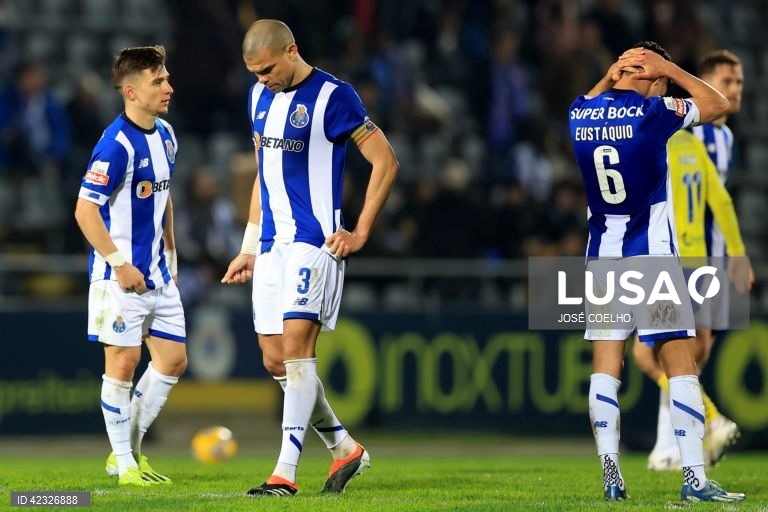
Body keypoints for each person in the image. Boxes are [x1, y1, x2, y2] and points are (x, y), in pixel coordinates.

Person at [221, 20, 399, 497]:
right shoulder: (258, 97)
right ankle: (344, 447)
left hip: (315, 244)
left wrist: (360, 230)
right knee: (274, 359)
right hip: (271, 246)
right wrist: (247, 245)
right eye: (255, 73)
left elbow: (386, 161)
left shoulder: (334, 96)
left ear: (292, 50)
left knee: (298, 351)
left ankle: (284, 474)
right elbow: (263, 175)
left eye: (268, 69)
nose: (262, 80)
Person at [568, 41, 744, 502]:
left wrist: (610, 77)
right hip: (651, 256)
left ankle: (612, 478)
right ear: (653, 77)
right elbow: (718, 104)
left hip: (602, 258)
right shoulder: (654, 114)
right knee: (682, 367)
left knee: (606, 370)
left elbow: (588, 99)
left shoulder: (579, 114)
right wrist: (669, 69)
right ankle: (695, 480)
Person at [74, 46, 186, 487]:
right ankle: (124, 465)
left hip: (157, 273)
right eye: (159, 82)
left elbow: (164, 198)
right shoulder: (114, 146)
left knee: (173, 360)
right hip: (117, 277)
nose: (169, 88)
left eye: (167, 79)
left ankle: (127, 455)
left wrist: (172, 255)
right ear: (131, 90)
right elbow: (85, 211)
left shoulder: (167, 135)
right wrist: (119, 264)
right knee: (123, 363)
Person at [635, 49, 749, 470]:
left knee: (666, 354)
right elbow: (711, 199)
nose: (734, 90)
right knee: (681, 352)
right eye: (726, 82)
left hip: (683, 258)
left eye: (738, 82)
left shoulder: (717, 137)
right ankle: (675, 445)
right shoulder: (691, 132)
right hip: (695, 258)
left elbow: (714, 198)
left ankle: (689, 436)